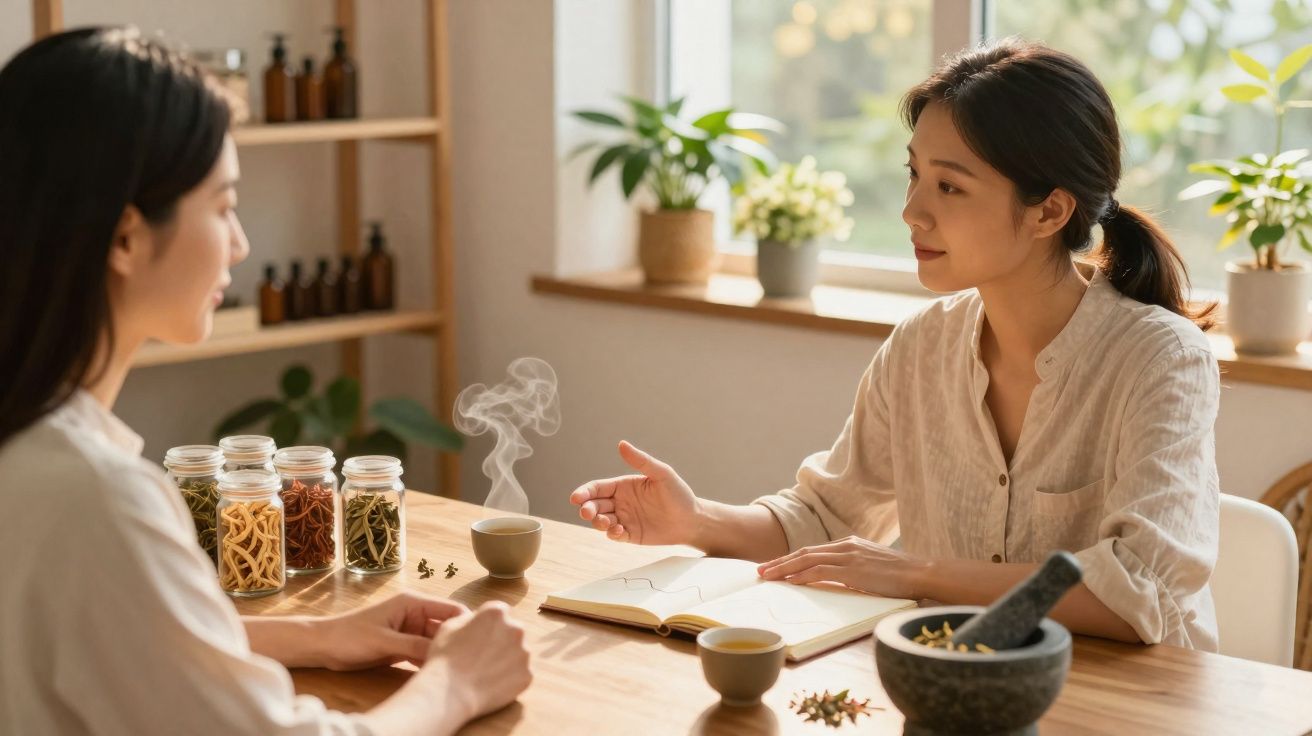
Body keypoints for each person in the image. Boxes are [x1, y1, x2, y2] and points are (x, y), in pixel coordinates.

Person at [570, 39, 1221, 650]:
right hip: (952, 690)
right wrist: (696, 523)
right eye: (914, 174)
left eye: (950, 186)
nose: (912, 210)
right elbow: (828, 517)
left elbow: (1140, 592)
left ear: (1048, 212)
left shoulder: (1160, 360)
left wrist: (917, 573)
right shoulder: (921, 345)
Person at [0, 27, 530, 735]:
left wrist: (315, 637)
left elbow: (113, 639)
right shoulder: (97, 500)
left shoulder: (32, 450)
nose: (241, 243)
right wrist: (456, 685)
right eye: (222, 207)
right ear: (125, 238)